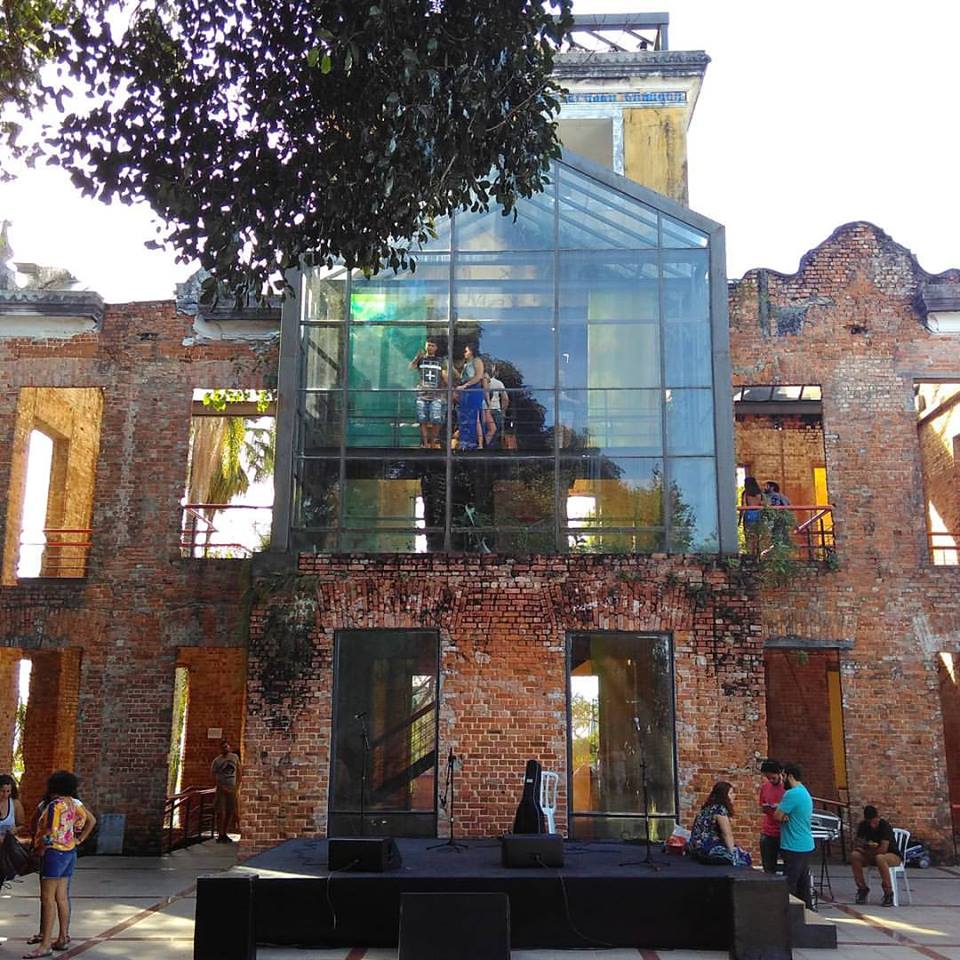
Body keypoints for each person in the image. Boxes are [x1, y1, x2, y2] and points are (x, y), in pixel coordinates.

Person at [24, 770, 96, 958]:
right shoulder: (73, 804)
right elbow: (87, 820)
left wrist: (39, 849)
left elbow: (49, 833)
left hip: (53, 853)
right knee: (62, 898)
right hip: (69, 852)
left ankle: (45, 944)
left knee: (47, 900)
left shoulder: (55, 805)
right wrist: (78, 839)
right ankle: (62, 937)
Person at [774, 763, 815, 910]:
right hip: (805, 844)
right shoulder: (804, 791)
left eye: (784, 776)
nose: (782, 779)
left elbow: (777, 815)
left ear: (790, 776)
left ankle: (788, 913)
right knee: (803, 884)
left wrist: (783, 815)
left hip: (793, 845)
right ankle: (808, 912)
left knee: (790, 884)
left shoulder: (792, 794)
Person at [688, 781, 752, 867]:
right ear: (724, 795)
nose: (734, 796)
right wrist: (733, 853)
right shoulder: (719, 809)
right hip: (707, 847)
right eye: (731, 793)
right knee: (744, 857)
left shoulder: (706, 808)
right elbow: (727, 834)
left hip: (695, 846)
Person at [852, 804, 901, 906]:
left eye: (874, 822)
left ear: (877, 818)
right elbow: (858, 842)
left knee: (880, 858)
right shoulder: (864, 825)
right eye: (869, 822)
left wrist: (866, 852)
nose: (872, 825)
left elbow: (883, 849)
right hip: (870, 854)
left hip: (891, 855)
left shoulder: (884, 826)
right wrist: (862, 846)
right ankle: (862, 888)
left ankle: (888, 892)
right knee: (855, 856)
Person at [409, 337, 447, 449]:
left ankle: (433, 441)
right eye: (428, 345)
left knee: (436, 419)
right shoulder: (421, 359)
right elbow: (411, 367)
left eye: (432, 345)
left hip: (436, 394)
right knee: (422, 419)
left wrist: (449, 387)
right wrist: (417, 357)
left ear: (436, 348)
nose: (430, 347)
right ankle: (425, 443)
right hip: (422, 393)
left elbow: (445, 376)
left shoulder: (440, 361)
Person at [455, 343, 485, 450]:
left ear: (472, 351)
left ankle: (472, 441)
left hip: (473, 389)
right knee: (464, 415)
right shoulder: (466, 364)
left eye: (466, 351)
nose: (464, 353)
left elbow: (478, 376)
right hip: (465, 391)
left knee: (472, 416)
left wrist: (465, 385)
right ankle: (464, 440)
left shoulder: (476, 361)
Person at [758, 759, 785, 874]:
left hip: (784, 832)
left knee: (789, 866)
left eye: (773, 778)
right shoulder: (765, 788)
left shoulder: (787, 789)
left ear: (780, 773)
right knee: (768, 867)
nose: (771, 780)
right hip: (768, 831)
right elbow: (763, 806)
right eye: (768, 778)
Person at [212, 739, 241, 843]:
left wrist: (237, 785)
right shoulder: (217, 761)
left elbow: (239, 770)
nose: (225, 749)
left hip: (232, 788)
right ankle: (220, 833)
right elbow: (214, 776)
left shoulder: (234, 757)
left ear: (229, 747)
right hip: (221, 790)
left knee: (230, 811)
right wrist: (221, 786)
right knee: (221, 812)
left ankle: (225, 832)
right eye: (223, 747)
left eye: (227, 747)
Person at [484, 364, 509, 449]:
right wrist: (503, 412)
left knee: (487, 431)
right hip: (496, 410)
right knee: (495, 435)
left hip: (485, 410)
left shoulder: (483, 382)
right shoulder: (498, 383)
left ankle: (484, 448)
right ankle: (489, 449)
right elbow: (505, 399)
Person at [740, 476, 765, 556]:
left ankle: (750, 555)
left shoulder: (746, 493)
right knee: (758, 536)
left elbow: (743, 506)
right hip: (758, 514)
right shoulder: (760, 493)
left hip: (749, 515)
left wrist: (740, 519)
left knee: (749, 536)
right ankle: (758, 555)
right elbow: (763, 504)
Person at [0, 773, 25, 839]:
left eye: (8, 791)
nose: (5, 795)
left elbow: (21, 825)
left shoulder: (15, 804)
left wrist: (15, 830)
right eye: (2, 791)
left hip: (8, 843)